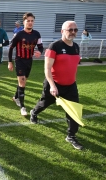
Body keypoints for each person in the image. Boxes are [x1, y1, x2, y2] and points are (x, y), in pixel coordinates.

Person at [29, 21, 83, 150]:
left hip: (71, 86)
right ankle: (34, 112)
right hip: (54, 84)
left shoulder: (76, 46)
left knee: (73, 110)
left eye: (75, 30)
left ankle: (71, 136)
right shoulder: (54, 46)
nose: (73, 32)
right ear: (62, 31)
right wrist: (53, 86)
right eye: (70, 30)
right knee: (44, 103)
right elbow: (47, 69)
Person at [8, 12, 43, 116]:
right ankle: (23, 107)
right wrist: (10, 62)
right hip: (19, 60)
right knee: (22, 83)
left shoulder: (37, 34)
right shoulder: (19, 34)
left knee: (22, 82)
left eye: (32, 21)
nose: (30, 23)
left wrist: (40, 52)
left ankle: (15, 97)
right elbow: (10, 48)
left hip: (29, 61)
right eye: (28, 21)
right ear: (24, 22)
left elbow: (40, 46)